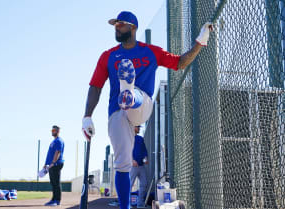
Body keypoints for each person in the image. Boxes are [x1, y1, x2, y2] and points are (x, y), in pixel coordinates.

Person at [81, 11, 212, 209]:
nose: (117, 27)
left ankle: (130, 93)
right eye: (115, 25)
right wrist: (87, 116)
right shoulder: (108, 56)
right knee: (122, 165)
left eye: (121, 24)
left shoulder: (150, 51)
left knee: (135, 98)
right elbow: (95, 86)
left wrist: (200, 43)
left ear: (133, 27)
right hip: (117, 112)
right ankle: (125, 207)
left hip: (142, 105)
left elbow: (180, 62)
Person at [43, 125, 65, 206]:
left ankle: (57, 200)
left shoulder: (59, 141)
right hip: (51, 164)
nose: (53, 132)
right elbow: (50, 154)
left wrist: (53, 163)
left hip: (56, 164)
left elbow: (58, 152)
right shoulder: (53, 141)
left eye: (54, 130)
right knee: (53, 183)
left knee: (56, 182)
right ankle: (53, 199)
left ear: (58, 131)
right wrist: (45, 164)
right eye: (52, 130)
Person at [130, 125, 148, 208]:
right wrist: (132, 160)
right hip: (132, 166)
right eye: (138, 127)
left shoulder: (140, 139)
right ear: (133, 127)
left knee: (144, 183)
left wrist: (145, 158)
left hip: (141, 166)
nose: (139, 129)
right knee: (129, 185)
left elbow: (144, 150)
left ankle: (140, 204)